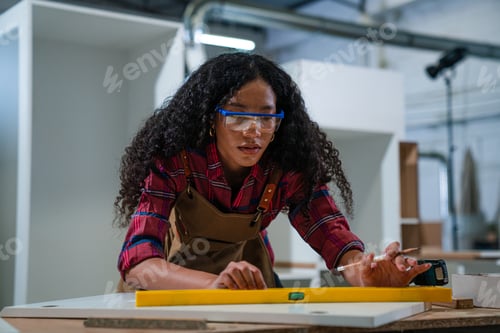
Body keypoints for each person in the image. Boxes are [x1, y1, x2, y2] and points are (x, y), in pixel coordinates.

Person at [114, 52, 431, 290]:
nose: (254, 131)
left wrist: (362, 271)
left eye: (266, 118)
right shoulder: (175, 161)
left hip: (252, 285)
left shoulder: (287, 167)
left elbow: (329, 231)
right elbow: (139, 263)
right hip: (177, 284)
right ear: (211, 119)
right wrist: (212, 286)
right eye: (237, 116)